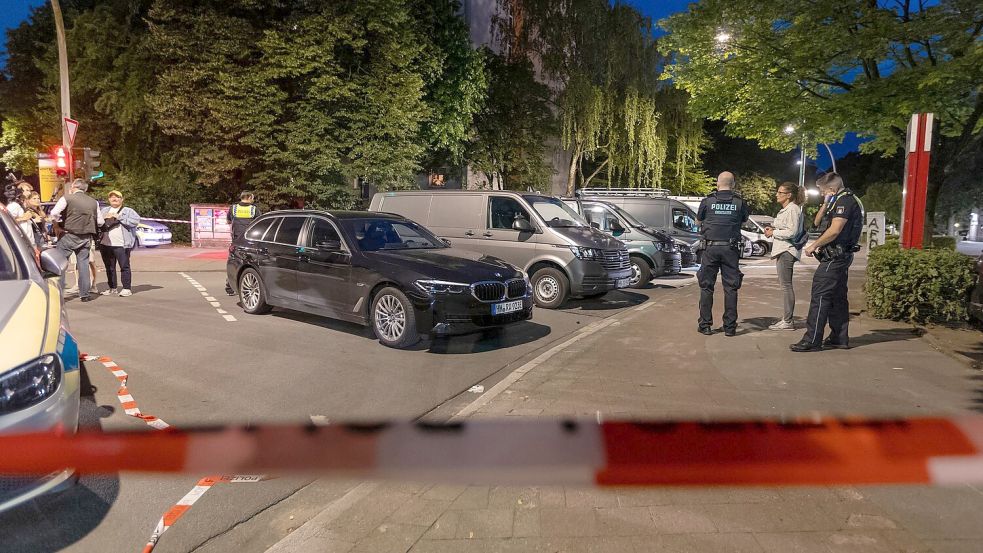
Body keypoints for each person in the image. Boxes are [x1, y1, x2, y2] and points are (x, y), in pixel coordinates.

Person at [791, 172, 865, 352]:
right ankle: (838, 338)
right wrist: (826, 203)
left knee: (820, 296)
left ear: (831, 188)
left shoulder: (845, 201)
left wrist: (813, 246)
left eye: (823, 192)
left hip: (835, 257)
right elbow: (816, 222)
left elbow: (835, 230)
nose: (822, 194)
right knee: (837, 298)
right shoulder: (837, 200)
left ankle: (812, 339)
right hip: (839, 256)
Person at [696, 171, 749, 336]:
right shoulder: (740, 203)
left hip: (710, 248)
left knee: (706, 287)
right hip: (730, 249)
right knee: (731, 288)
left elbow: (699, 221)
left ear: (718, 184)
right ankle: (730, 327)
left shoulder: (708, 201)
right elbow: (744, 220)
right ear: (733, 185)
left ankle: (705, 325)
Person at [49, 179, 103, 302]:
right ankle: (84, 294)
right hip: (85, 237)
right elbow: (100, 222)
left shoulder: (67, 198)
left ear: (74, 187)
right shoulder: (94, 202)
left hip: (68, 235)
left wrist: (57, 225)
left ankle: (58, 293)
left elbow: (54, 213)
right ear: (85, 189)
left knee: (60, 264)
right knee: (83, 264)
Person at [764, 182, 806, 330]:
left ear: (789, 195)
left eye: (780, 192)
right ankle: (786, 319)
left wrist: (773, 232)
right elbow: (786, 228)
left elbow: (792, 232)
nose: (777, 194)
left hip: (787, 251)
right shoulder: (788, 209)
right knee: (785, 285)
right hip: (784, 250)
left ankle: (787, 321)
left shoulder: (793, 209)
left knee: (786, 286)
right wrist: (774, 228)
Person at [99, 190, 141, 297]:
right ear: (109, 199)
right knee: (109, 267)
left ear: (122, 199)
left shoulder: (128, 211)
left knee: (124, 266)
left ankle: (126, 288)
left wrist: (119, 217)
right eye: (112, 197)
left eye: (117, 197)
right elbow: (97, 222)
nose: (114, 199)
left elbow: (135, 221)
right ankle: (112, 288)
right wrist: (104, 218)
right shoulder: (104, 210)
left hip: (122, 244)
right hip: (106, 243)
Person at [225, 191, 261, 295]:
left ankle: (230, 287)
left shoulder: (233, 208)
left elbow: (228, 221)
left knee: (234, 262)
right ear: (249, 197)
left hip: (236, 241)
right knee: (250, 262)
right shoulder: (254, 209)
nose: (253, 200)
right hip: (250, 240)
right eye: (252, 198)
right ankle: (250, 286)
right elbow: (259, 223)